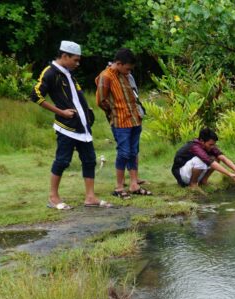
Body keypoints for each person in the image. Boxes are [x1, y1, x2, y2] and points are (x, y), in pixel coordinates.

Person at [31, 40, 112, 209]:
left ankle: (90, 197)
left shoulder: (68, 73)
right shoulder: (50, 72)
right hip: (66, 127)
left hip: (82, 126)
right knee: (62, 161)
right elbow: (36, 96)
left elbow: (75, 97)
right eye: (75, 59)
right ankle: (53, 197)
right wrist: (61, 112)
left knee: (89, 160)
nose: (77, 63)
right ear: (64, 56)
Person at [96, 48, 149, 198]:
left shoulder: (126, 75)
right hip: (120, 121)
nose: (128, 71)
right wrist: (114, 112)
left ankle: (134, 184)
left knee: (133, 152)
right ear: (118, 63)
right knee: (124, 153)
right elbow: (100, 100)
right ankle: (119, 187)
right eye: (127, 68)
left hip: (134, 119)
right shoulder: (105, 76)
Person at [171, 128, 235, 191]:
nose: (213, 146)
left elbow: (222, 157)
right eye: (211, 144)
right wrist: (230, 175)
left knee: (216, 157)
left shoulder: (208, 146)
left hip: (190, 172)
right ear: (202, 141)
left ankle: (203, 181)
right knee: (200, 160)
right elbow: (209, 161)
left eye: (214, 144)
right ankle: (192, 184)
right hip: (182, 175)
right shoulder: (194, 147)